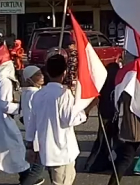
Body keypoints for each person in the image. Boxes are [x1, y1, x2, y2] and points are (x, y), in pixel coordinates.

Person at [25, 54, 97, 185]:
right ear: (64, 72)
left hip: (46, 150)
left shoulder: (38, 95)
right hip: (62, 151)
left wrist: (29, 145)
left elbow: (32, 123)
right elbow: (70, 120)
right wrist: (87, 109)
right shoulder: (64, 94)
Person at [0, 42, 30, 180]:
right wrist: (22, 107)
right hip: (3, 121)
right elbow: (4, 105)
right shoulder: (4, 80)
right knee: (14, 148)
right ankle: (26, 177)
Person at [85, 63, 121, 173]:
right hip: (113, 115)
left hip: (105, 114)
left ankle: (105, 162)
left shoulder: (103, 84)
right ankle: (92, 164)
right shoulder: (117, 84)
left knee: (104, 140)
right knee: (109, 140)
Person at [19, 66, 46, 185]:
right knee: (36, 170)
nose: (41, 76)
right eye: (37, 74)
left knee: (35, 169)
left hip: (32, 135)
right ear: (29, 78)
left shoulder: (26, 93)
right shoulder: (35, 94)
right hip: (38, 136)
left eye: (41, 73)